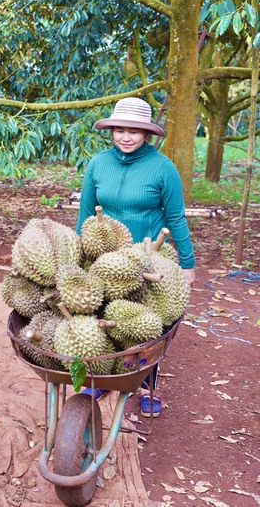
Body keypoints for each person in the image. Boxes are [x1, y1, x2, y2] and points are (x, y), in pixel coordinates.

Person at [75, 97, 196, 417]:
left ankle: (145, 383)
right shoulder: (98, 164)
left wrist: (187, 264)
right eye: (120, 130)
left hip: (150, 259)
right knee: (102, 319)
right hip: (105, 258)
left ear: (147, 133)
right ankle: (103, 376)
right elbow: (86, 214)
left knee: (147, 325)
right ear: (112, 130)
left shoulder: (163, 168)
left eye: (134, 131)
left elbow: (176, 218)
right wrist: (78, 254)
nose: (125, 137)